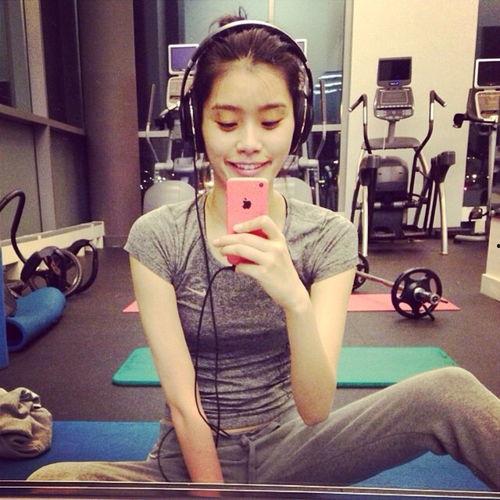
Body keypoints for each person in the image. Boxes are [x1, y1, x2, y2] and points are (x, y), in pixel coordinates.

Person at [28, 15, 500, 489]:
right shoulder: (159, 235)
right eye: (227, 122)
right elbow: (184, 406)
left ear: (298, 122)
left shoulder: (329, 236)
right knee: (48, 483)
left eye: (271, 121)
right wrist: (213, 494)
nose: (249, 144)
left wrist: (294, 299)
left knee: (451, 392)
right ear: (198, 123)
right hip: (186, 462)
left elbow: (315, 409)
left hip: (291, 451)